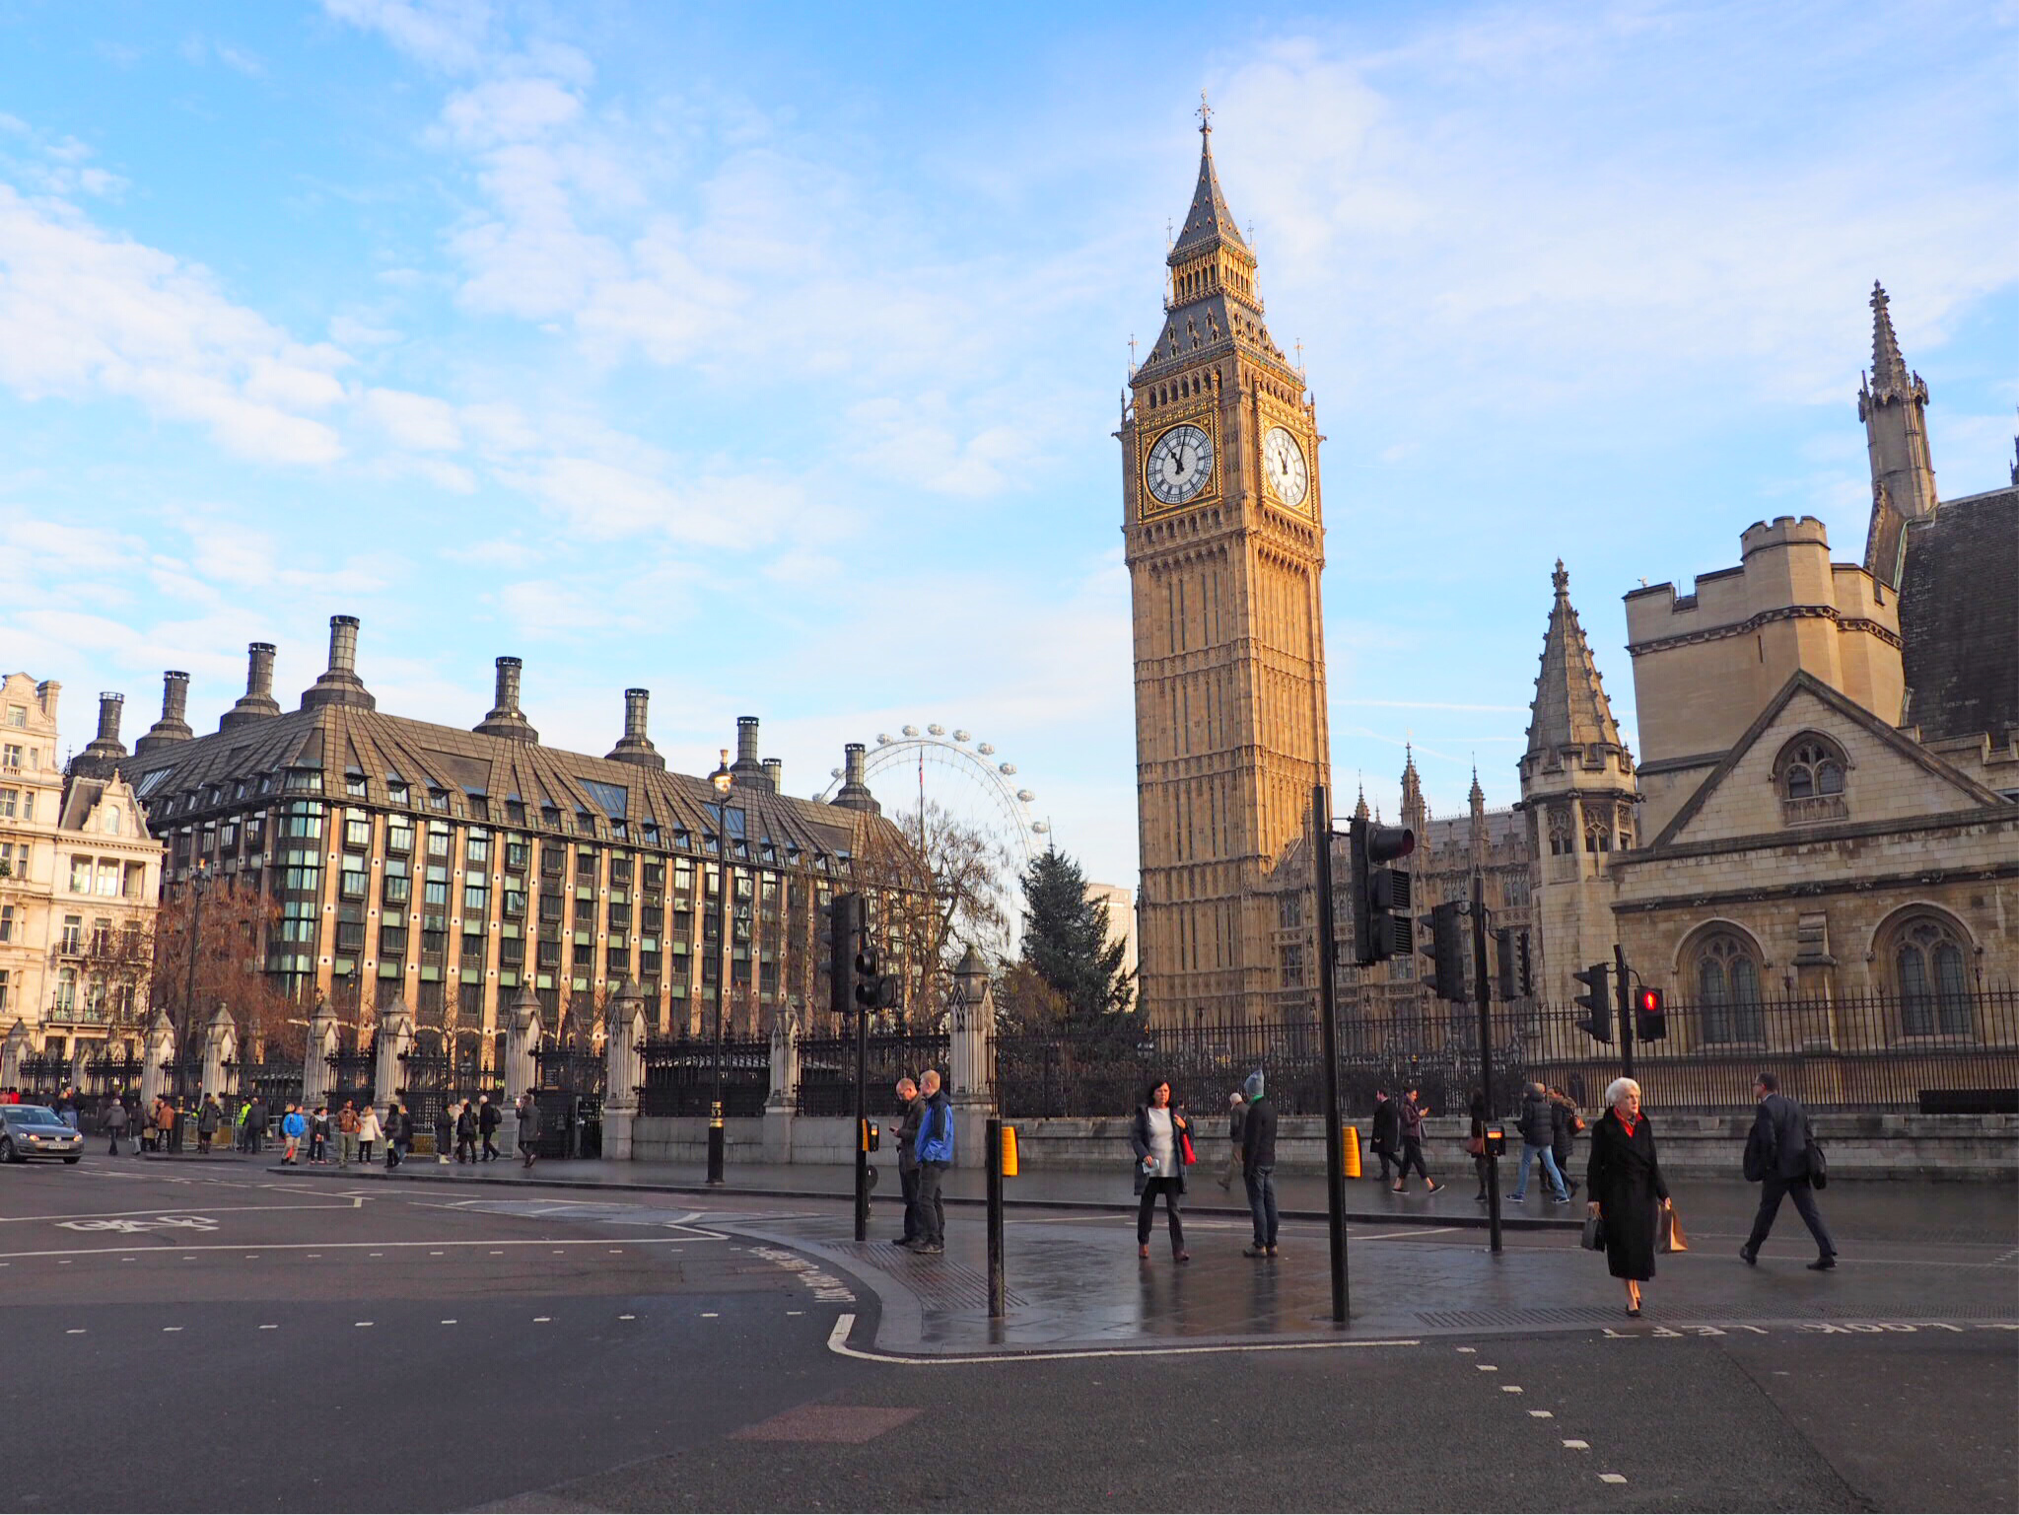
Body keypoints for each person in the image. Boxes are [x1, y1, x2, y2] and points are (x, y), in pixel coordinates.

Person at [1587, 1076, 1670, 1317]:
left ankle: (1635, 1287)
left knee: (1640, 1245)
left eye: (1636, 1097)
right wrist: (1594, 1198)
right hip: (1617, 1194)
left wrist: (1663, 1193)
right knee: (1623, 1246)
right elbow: (1595, 1165)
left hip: (1642, 1193)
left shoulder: (1644, 1124)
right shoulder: (1603, 1128)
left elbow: (1653, 1161)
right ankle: (1630, 1297)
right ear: (1616, 1102)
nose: (1634, 1102)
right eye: (1629, 1097)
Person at [1741, 1072, 1837, 1271]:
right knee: (1810, 1213)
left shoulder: (1766, 1108)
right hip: (1800, 1167)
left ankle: (1751, 1250)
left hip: (1778, 1171)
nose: (1753, 1088)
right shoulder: (1795, 1105)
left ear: (1763, 1087)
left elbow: (1768, 1141)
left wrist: (1768, 1165)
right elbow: (1807, 1135)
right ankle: (1827, 1251)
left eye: (1755, 1084)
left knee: (1766, 1212)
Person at [1130, 1078, 1192, 1262]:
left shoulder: (1177, 1114)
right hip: (1151, 1168)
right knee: (1147, 1208)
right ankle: (1143, 1242)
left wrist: (1185, 1126)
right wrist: (1144, 1154)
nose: (1163, 1094)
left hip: (1172, 1168)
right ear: (1153, 1094)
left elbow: (1189, 1136)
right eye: (1159, 1091)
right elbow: (1136, 1138)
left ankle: (1178, 1250)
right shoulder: (1145, 1113)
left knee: (1174, 1210)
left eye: (1165, 1091)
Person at [905, 1069, 953, 1255]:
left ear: (929, 1085)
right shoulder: (935, 1104)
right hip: (936, 1158)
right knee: (934, 1198)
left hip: (934, 1160)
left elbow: (939, 1135)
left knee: (924, 1199)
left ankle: (934, 1239)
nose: (919, 1086)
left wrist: (927, 1155)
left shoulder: (938, 1106)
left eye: (921, 1083)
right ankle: (936, 1236)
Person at [1508, 1081, 1571, 1204]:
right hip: (1546, 1140)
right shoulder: (1545, 1104)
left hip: (1533, 1140)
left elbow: (1526, 1122)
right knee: (1551, 1166)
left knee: (1525, 1165)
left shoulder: (1529, 1105)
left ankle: (1519, 1193)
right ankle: (1562, 1194)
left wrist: (1519, 1126)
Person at [1240, 1069, 1279, 1258]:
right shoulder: (1271, 1109)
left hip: (1256, 1163)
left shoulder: (1254, 1111)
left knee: (1257, 1203)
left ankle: (1259, 1243)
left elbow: (1251, 1142)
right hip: (1269, 1160)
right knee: (1270, 1202)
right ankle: (1272, 1242)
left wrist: (1247, 1168)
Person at [893, 1077, 925, 1247]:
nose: (900, 1098)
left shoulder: (920, 1107)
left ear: (910, 1090)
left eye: (901, 1094)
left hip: (914, 1160)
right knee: (909, 1199)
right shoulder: (911, 1107)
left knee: (915, 1199)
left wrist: (901, 1133)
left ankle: (918, 1234)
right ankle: (910, 1233)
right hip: (907, 1157)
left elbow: (920, 1134)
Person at [1392, 1086, 1441, 1195]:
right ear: (1407, 1094)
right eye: (1413, 1094)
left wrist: (1419, 1115)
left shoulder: (1411, 1106)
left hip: (1412, 1135)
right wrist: (1420, 1115)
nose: (1415, 1097)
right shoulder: (1404, 1107)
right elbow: (1408, 1122)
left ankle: (1397, 1185)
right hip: (1409, 1136)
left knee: (1406, 1162)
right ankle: (1430, 1185)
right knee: (1419, 1160)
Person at [1549, 1087, 1582, 1199]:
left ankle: (1571, 1183)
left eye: (1551, 1094)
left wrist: (1549, 1121)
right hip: (1567, 1135)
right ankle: (1563, 1188)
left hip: (1559, 1137)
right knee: (1562, 1164)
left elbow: (1557, 1123)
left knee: (1554, 1164)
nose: (1549, 1097)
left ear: (1558, 1094)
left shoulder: (1557, 1106)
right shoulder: (1568, 1104)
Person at [1370, 1088, 1401, 1187]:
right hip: (1391, 1135)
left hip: (1383, 1136)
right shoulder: (1392, 1106)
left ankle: (1386, 1173)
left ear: (1381, 1094)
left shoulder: (1383, 1107)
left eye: (1377, 1094)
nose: (1376, 1096)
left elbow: (1380, 1123)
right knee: (1389, 1154)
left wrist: (1377, 1136)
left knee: (1383, 1154)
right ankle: (1401, 1167)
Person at [1218, 1091, 1246, 1191]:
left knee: (1234, 1161)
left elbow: (1234, 1125)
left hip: (1239, 1140)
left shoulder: (1236, 1110)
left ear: (1234, 1101)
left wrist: (1233, 1135)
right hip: (1249, 1139)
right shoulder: (1248, 1108)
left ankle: (1226, 1181)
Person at [1467, 1090, 1489, 1202]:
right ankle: (1486, 1187)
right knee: (1484, 1162)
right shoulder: (1486, 1106)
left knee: (1480, 1163)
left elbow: (1477, 1122)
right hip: (1485, 1136)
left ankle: (1483, 1188)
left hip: (1479, 1137)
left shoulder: (1475, 1108)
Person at [516, 1094, 541, 1169]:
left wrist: (517, 1107)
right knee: (530, 1146)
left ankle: (530, 1155)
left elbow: (519, 1116)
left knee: (520, 1145)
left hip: (525, 1130)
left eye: (523, 1100)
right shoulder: (535, 1108)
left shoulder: (525, 1108)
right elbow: (538, 1120)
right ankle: (527, 1163)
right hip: (534, 1130)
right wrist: (539, 1130)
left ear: (526, 1100)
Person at [385, 1101, 411, 1169]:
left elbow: (396, 1126)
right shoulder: (390, 1116)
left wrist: (387, 1126)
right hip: (390, 1135)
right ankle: (391, 1161)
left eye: (390, 1108)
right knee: (390, 1149)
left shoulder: (397, 1116)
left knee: (391, 1149)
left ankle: (394, 1161)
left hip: (394, 1135)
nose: (389, 1109)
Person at [337, 1101, 361, 1166]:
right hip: (342, 1132)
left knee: (348, 1148)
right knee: (342, 1148)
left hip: (350, 1132)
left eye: (350, 1103)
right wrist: (340, 1123)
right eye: (348, 1103)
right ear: (344, 1104)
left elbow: (357, 1120)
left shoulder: (353, 1112)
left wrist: (361, 1125)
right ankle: (341, 1161)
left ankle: (346, 1160)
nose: (349, 1105)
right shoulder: (339, 1113)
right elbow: (335, 1123)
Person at [478, 1095, 502, 1161]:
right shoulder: (489, 1106)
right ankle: (490, 1154)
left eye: (480, 1101)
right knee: (486, 1142)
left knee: (486, 1142)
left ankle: (491, 1154)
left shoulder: (484, 1107)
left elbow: (484, 1119)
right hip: (490, 1127)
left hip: (486, 1127)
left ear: (482, 1101)